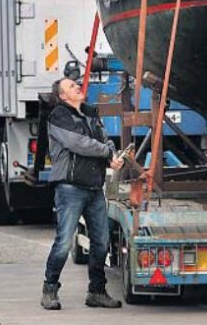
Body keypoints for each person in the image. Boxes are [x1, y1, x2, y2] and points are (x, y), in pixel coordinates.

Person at [41, 77, 125, 310]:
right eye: (70, 86)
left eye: (76, 84)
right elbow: (78, 143)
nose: (77, 86)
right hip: (70, 188)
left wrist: (113, 155)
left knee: (102, 242)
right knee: (64, 241)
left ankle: (96, 292)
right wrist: (107, 153)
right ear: (62, 96)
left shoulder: (90, 113)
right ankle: (49, 289)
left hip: (94, 188)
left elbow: (105, 139)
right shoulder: (58, 116)